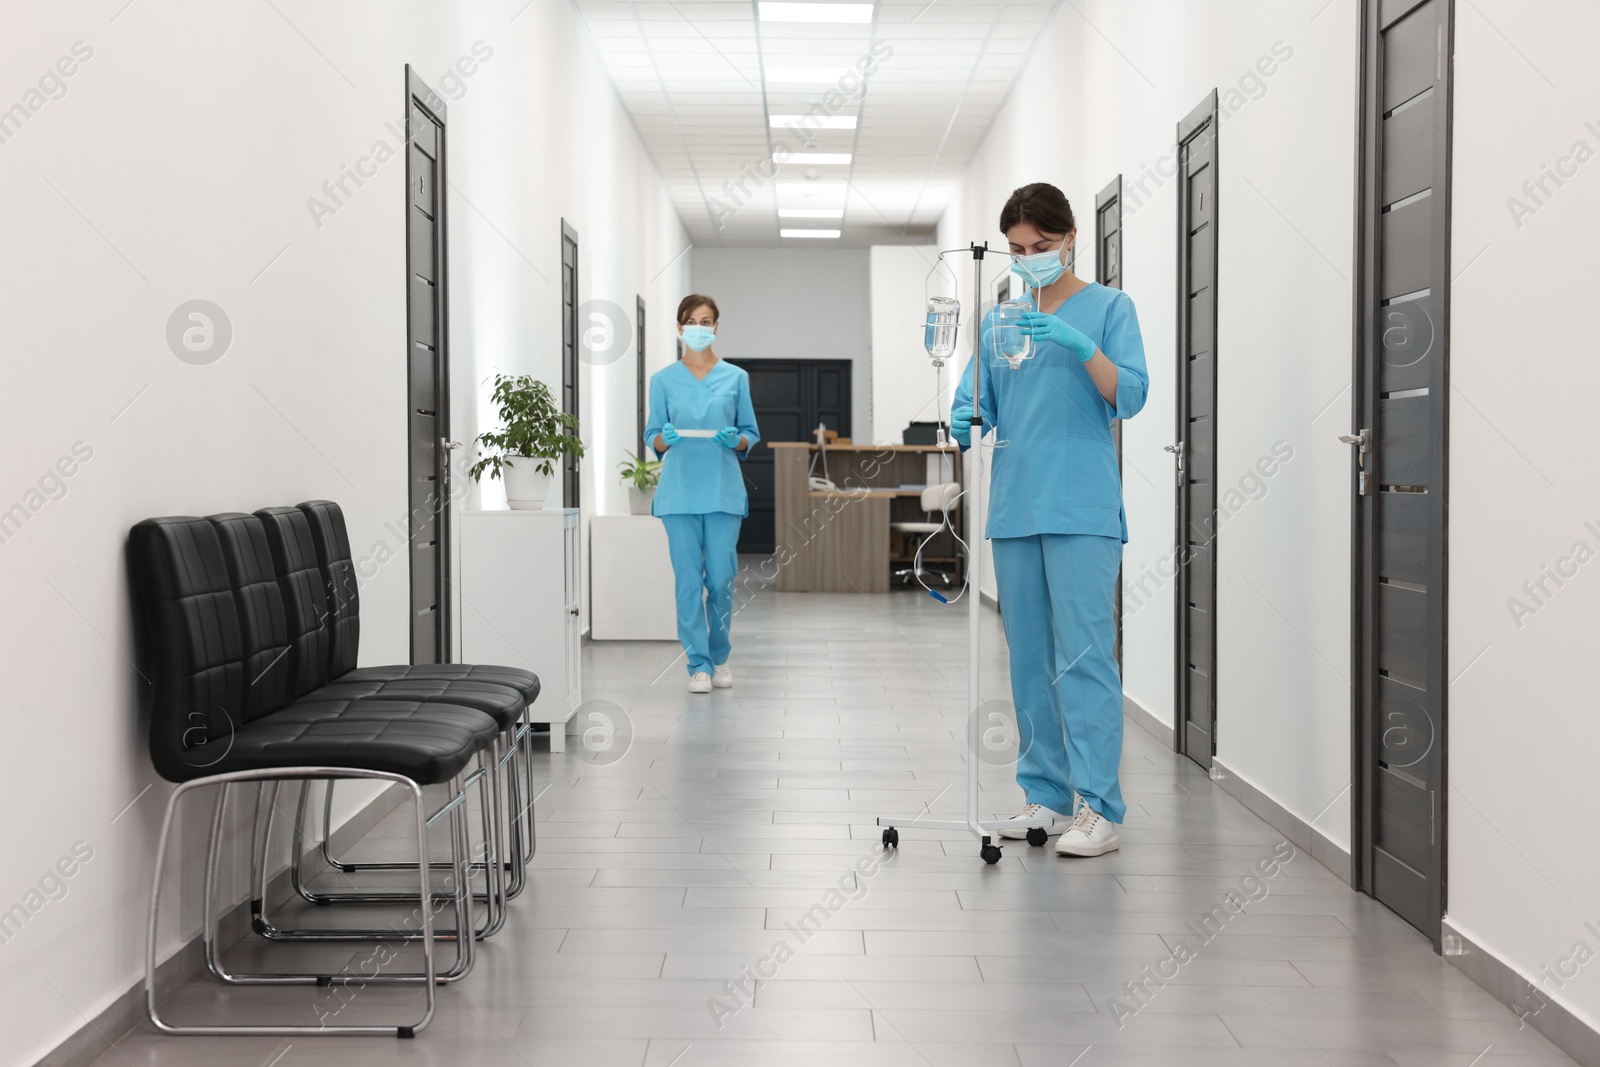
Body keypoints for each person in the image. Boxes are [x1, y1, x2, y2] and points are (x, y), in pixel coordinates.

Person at [951, 182, 1149, 857]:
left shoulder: (1110, 308)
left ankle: (1100, 807)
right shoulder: (999, 321)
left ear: (1069, 239)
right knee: (1029, 660)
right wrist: (963, 413)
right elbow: (980, 402)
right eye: (1017, 250)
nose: (1030, 258)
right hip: (1017, 505)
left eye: (1041, 246)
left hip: (1082, 507)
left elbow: (1132, 394)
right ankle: (1046, 797)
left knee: (1085, 657)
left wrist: (1077, 343)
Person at [644, 295, 762, 694]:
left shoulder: (736, 378)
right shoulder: (662, 380)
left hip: (722, 491)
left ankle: (720, 656)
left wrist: (738, 439)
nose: (699, 327)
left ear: (716, 327)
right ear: (679, 328)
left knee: (723, 579)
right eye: (691, 321)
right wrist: (665, 437)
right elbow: (652, 436)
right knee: (688, 582)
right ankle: (698, 664)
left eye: (706, 320)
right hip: (679, 493)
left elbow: (750, 432)